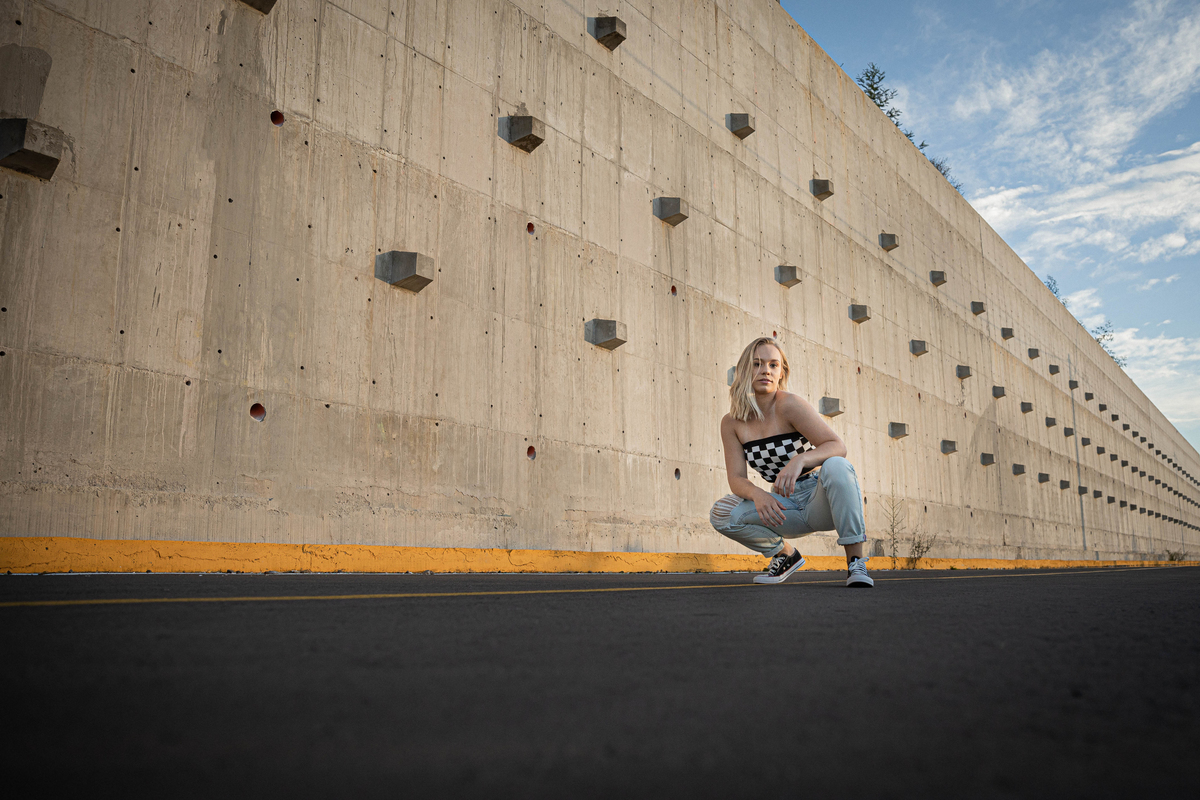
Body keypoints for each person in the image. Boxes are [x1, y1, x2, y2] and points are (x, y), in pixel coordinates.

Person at [709, 337, 873, 587]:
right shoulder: (731, 422)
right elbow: (736, 478)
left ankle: (855, 563)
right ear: (744, 370)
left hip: (822, 502)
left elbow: (837, 446)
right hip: (783, 506)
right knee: (722, 514)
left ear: (781, 372)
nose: (765, 370)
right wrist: (758, 495)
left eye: (773, 365)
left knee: (837, 465)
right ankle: (785, 554)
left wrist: (800, 460)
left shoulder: (790, 405)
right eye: (757, 364)